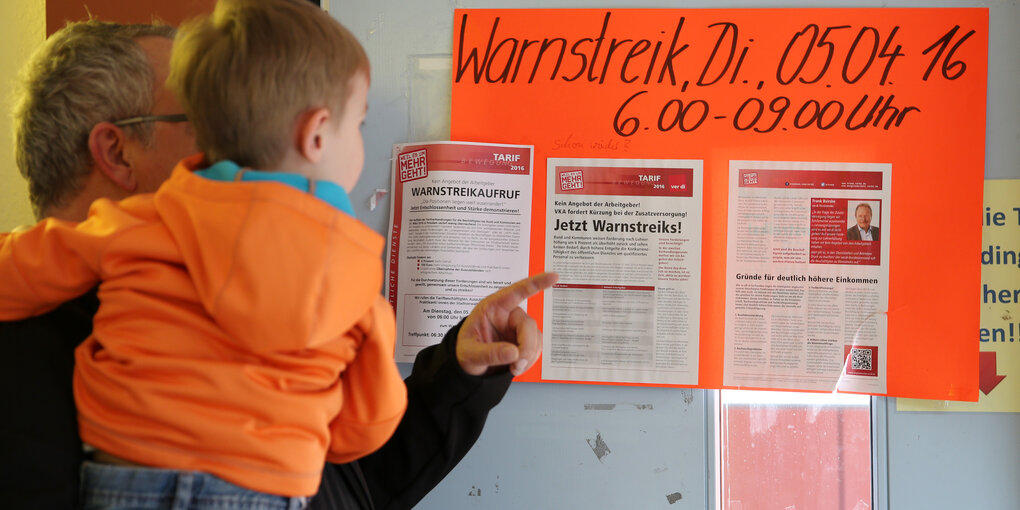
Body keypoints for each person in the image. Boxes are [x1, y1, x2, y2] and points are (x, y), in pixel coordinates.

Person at [1, 8, 554, 510]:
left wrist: (461, 370)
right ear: (117, 151)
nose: (244, 136)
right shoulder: (29, 358)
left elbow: (359, 481)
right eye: (205, 115)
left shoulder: (285, 273)